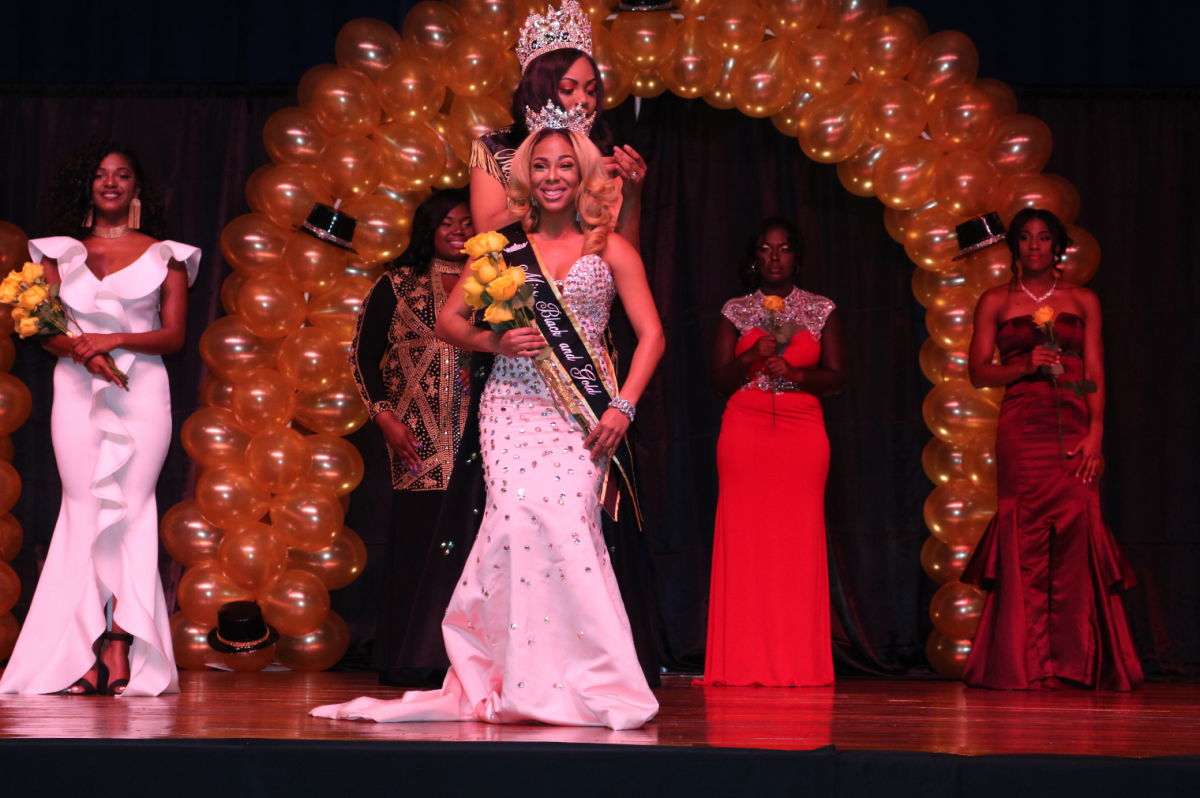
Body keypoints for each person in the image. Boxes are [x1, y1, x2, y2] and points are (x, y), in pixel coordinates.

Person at [312, 104, 665, 729]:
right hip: (511, 403)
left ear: (583, 175)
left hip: (582, 411)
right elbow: (450, 322)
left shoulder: (610, 248)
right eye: (540, 165)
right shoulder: (501, 249)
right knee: (518, 525)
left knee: (571, 528)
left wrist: (623, 407)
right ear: (525, 176)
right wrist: (493, 343)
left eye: (565, 165)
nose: (553, 176)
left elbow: (652, 335)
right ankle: (517, 676)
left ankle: (587, 679)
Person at [0, 142, 197, 697]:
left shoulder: (169, 255)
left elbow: (174, 336)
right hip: (77, 389)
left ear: (138, 188)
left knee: (131, 510)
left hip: (141, 391)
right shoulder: (57, 254)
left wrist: (114, 339)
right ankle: (75, 652)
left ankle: (119, 641)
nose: (110, 183)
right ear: (86, 186)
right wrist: (85, 352)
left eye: (123, 175)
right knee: (84, 508)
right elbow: (43, 328)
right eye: (100, 175)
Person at [960, 208, 1142, 691]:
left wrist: (1096, 429)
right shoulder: (996, 300)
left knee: (1078, 527)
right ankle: (1022, 661)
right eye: (1025, 238)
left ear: (1057, 247)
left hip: (1074, 423)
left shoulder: (1083, 299)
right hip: (1021, 426)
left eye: (1043, 238)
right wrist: (1024, 366)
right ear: (1014, 247)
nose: (1034, 246)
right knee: (1022, 535)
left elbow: (1093, 373)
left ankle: (1077, 661)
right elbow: (978, 372)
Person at [698, 218, 847, 687]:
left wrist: (798, 375)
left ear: (796, 258)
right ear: (754, 259)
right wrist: (750, 358)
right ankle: (740, 661)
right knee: (746, 546)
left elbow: (840, 378)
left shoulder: (821, 309)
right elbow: (718, 381)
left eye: (783, 249)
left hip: (801, 434)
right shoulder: (735, 310)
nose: (775, 257)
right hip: (745, 429)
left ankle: (797, 661)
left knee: (796, 545)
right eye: (765, 249)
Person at [349, 188, 473, 687]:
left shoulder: (493, 285)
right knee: (421, 541)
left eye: (467, 222)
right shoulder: (398, 283)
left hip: (476, 435)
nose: (459, 231)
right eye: (447, 222)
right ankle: (412, 654)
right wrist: (384, 417)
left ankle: (468, 660)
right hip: (416, 434)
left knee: (469, 545)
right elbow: (362, 355)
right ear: (428, 229)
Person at [470, 0, 647, 249]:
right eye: (567, 89)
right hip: (518, 283)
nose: (583, 100)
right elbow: (484, 236)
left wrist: (631, 196)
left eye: (591, 90)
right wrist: (562, 184)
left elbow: (627, 255)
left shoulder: (603, 151)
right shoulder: (496, 148)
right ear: (538, 87)